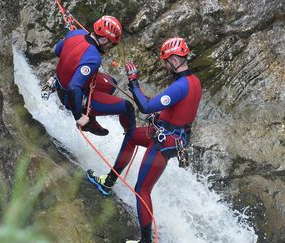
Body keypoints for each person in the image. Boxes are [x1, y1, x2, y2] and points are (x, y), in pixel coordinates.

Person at [87, 37, 202, 243]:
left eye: (166, 62)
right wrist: (159, 117)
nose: (165, 66)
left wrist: (133, 81)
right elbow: (178, 110)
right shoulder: (194, 82)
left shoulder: (180, 86)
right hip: (169, 136)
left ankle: (146, 241)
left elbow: (146, 107)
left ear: (175, 60)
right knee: (131, 136)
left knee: (142, 190)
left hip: (164, 143)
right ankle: (108, 182)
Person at [54, 15, 135, 135]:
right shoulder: (93, 57)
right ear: (103, 40)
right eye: (111, 44)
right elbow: (73, 87)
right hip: (71, 97)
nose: (110, 48)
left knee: (111, 84)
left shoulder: (76, 33)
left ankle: (91, 115)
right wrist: (78, 117)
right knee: (127, 107)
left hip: (60, 84)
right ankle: (130, 138)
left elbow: (57, 51)